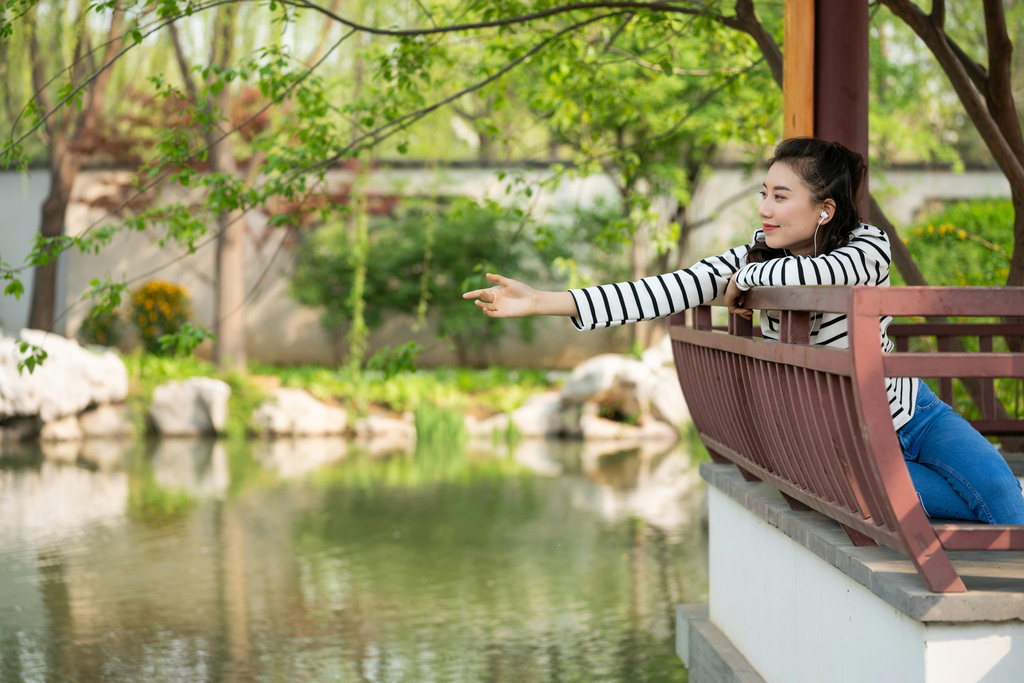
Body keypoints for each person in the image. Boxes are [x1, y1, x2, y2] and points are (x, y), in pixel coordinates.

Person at [463, 137, 1024, 525]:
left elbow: (824, 276)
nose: (765, 208)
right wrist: (542, 302)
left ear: (824, 210)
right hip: (842, 447)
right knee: (994, 499)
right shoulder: (750, 253)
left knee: (1003, 499)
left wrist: (747, 279)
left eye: (780, 197)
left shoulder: (866, 246)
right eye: (764, 193)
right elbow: (659, 290)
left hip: (914, 416)